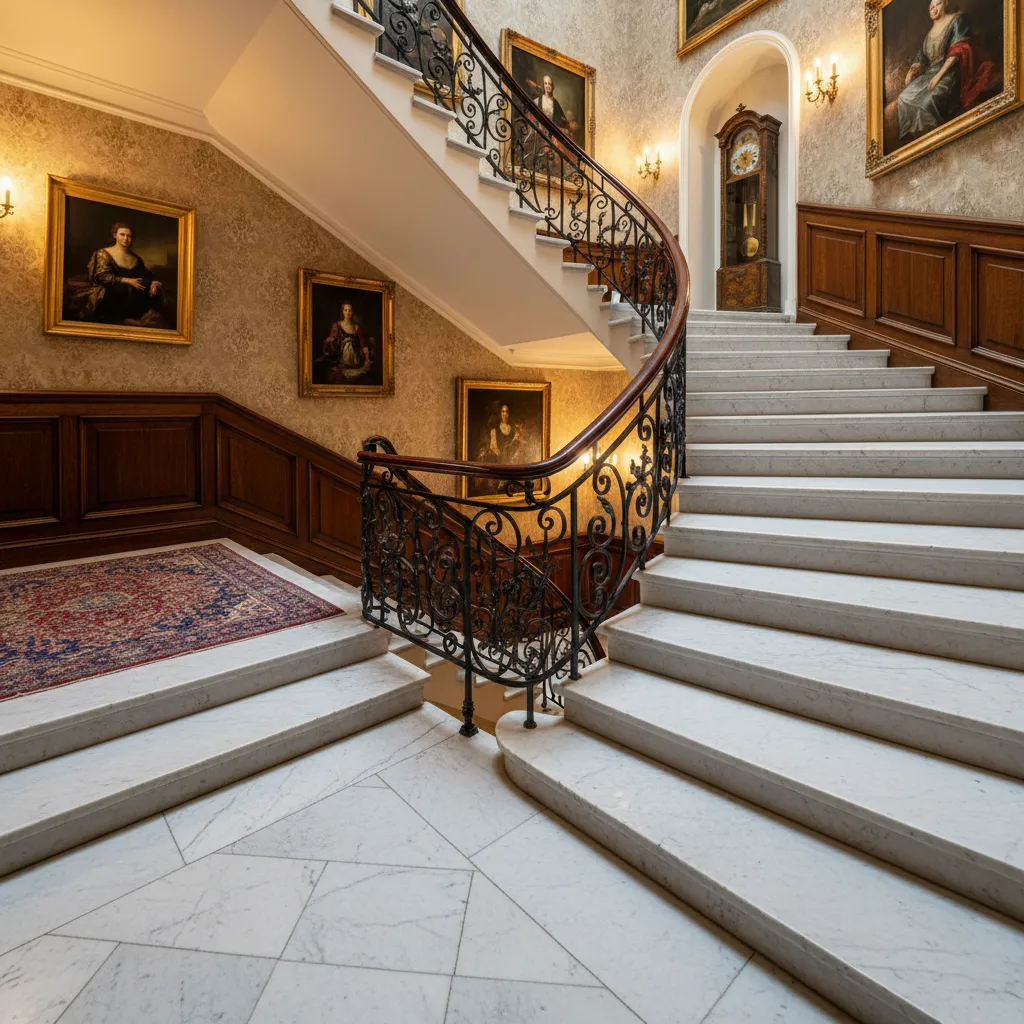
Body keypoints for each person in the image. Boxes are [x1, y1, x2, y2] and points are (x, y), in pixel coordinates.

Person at [896, 0, 997, 143]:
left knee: (928, 102)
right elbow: (921, 58)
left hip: (950, 71)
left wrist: (939, 76)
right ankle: (917, 139)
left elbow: (959, 49)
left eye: (938, 4)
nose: (934, 9)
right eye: (931, 7)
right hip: (930, 74)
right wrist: (911, 72)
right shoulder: (929, 34)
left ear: (946, 4)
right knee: (903, 99)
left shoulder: (957, 20)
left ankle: (931, 138)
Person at [70, 222, 167, 326]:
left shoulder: (135, 258)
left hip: (133, 296)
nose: (126, 238)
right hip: (110, 291)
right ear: (114, 235)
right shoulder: (103, 253)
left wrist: (153, 282)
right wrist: (127, 280)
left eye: (129, 236)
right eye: (122, 234)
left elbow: (145, 275)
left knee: (155, 294)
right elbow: (100, 276)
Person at [322, 302, 372, 382]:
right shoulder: (337, 325)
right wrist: (328, 341)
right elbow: (332, 338)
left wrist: (366, 356)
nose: (347, 313)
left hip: (355, 359)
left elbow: (363, 343)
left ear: (353, 312)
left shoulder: (356, 327)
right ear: (342, 311)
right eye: (345, 310)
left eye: (350, 311)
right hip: (341, 358)